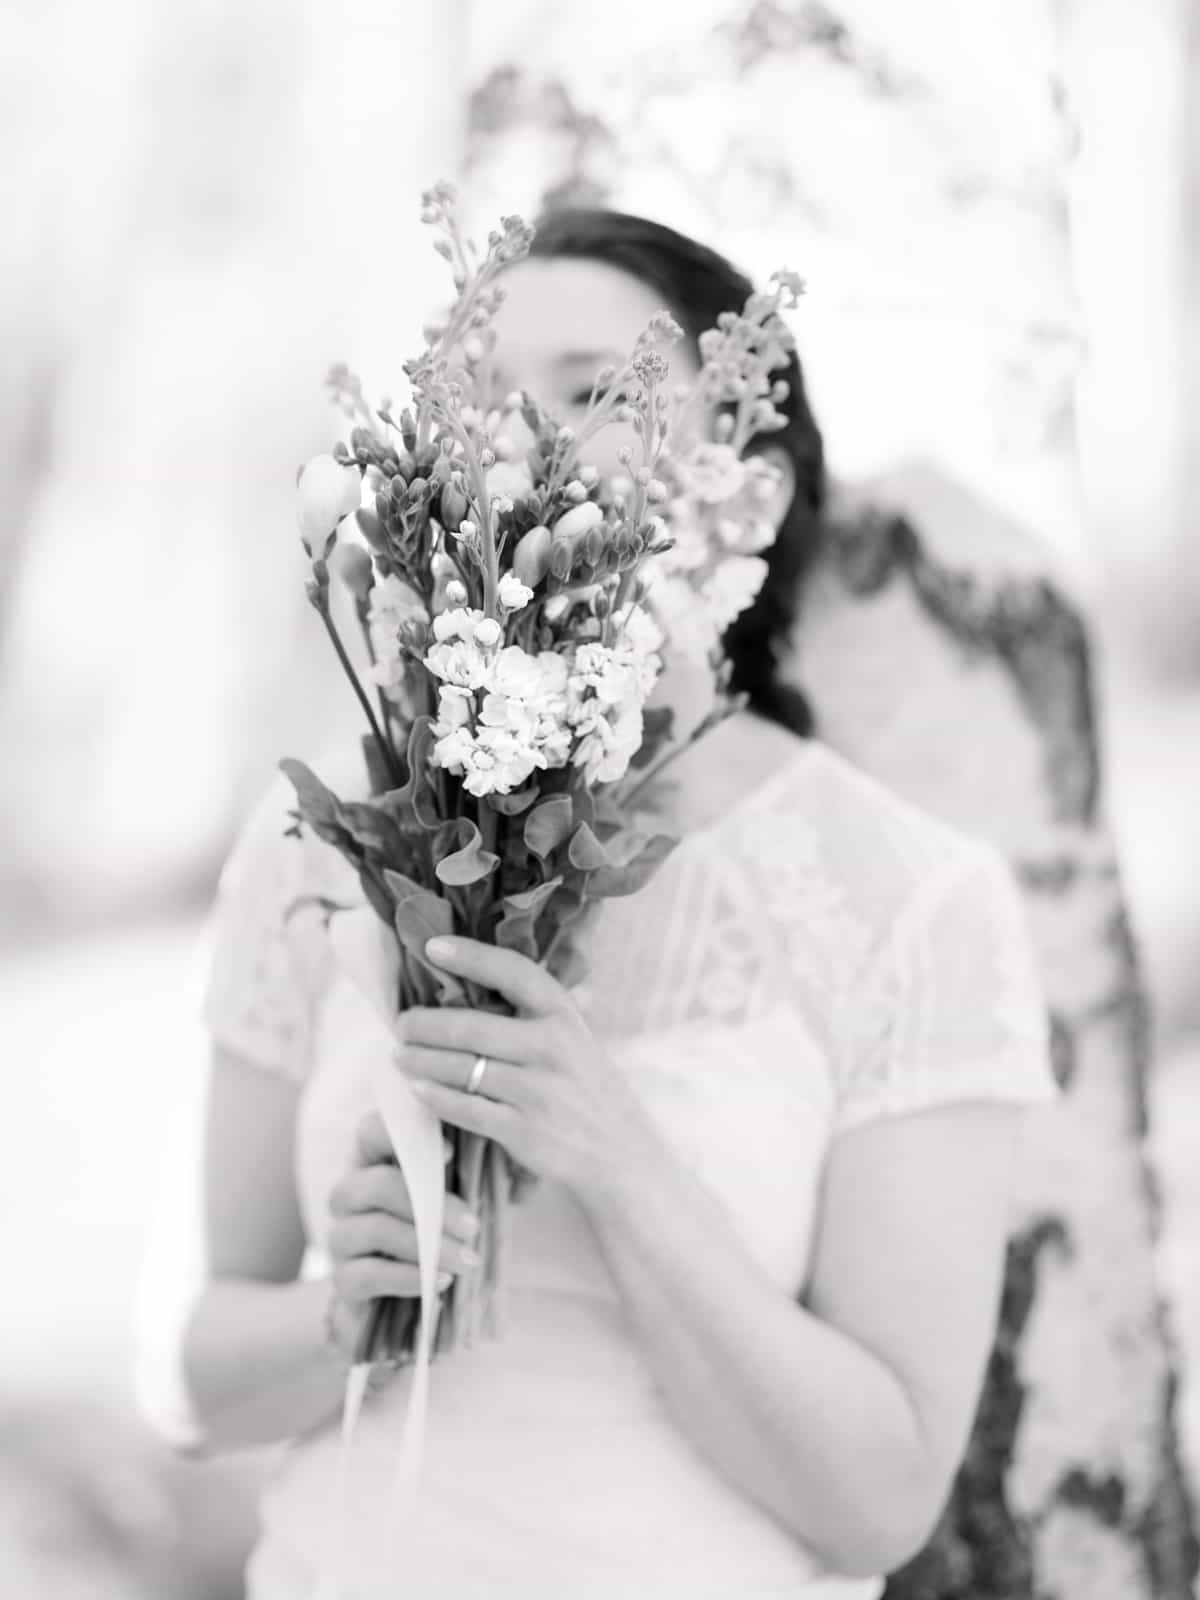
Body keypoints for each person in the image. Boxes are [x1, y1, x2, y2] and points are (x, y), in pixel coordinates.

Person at [140, 212, 1059, 1599]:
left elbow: (881, 1504)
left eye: (588, 392)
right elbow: (184, 1377)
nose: (516, 444)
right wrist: (340, 1315)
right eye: (477, 404)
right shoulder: (322, 840)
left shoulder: (915, 904)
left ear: (742, 495)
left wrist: (617, 1164)